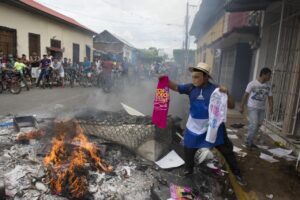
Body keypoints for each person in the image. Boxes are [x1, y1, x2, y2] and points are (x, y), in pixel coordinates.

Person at [163, 62, 246, 185]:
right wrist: (164, 80)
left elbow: (232, 105)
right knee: (189, 148)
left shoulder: (216, 90)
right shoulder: (190, 88)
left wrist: (227, 93)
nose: (194, 79)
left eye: (197, 77)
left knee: (227, 150)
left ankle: (237, 174)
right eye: (193, 76)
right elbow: (175, 87)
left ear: (206, 77)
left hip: (213, 126)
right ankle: (188, 171)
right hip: (194, 126)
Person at [240, 67, 273, 148]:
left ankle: (250, 140)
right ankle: (248, 142)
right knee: (254, 125)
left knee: (258, 125)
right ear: (263, 74)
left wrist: (271, 108)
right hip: (252, 107)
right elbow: (245, 95)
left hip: (262, 109)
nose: (270, 77)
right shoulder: (252, 83)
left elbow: (270, 98)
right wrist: (241, 106)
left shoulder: (268, 85)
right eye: (269, 75)